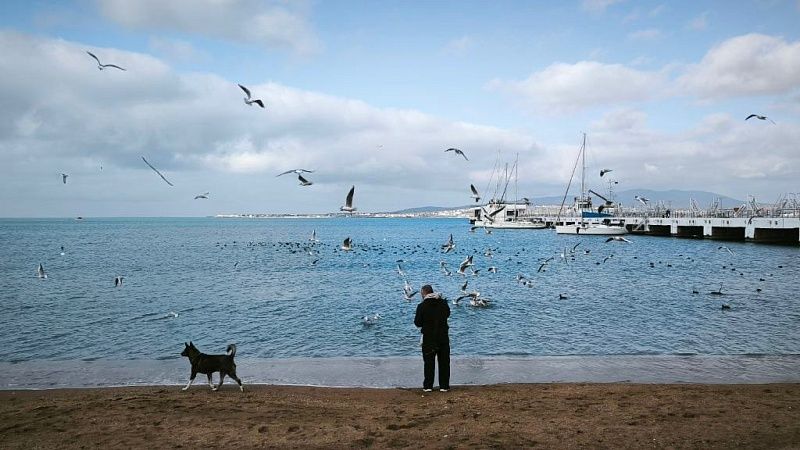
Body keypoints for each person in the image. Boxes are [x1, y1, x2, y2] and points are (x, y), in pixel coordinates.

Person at [414, 284, 450, 392]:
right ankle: (444, 386)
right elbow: (448, 314)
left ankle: (428, 386)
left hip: (429, 337)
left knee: (429, 363)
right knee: (444, 362)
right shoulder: (443, 303)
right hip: (443, 336)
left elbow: (417, 323)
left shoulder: (422, 306)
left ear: (424, 293)